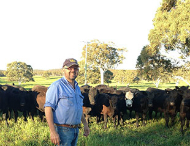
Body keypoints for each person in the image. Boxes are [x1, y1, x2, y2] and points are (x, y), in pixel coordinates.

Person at [44, 58, 90, 146]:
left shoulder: (77, 87)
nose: (73, 70)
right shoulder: (56, 86)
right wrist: (53, 132)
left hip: (75, 130)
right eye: (69, 68)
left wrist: (85, 124)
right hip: (62, 131)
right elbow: (48, 108)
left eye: (75, 68)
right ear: (63, 70)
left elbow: (78, 108)